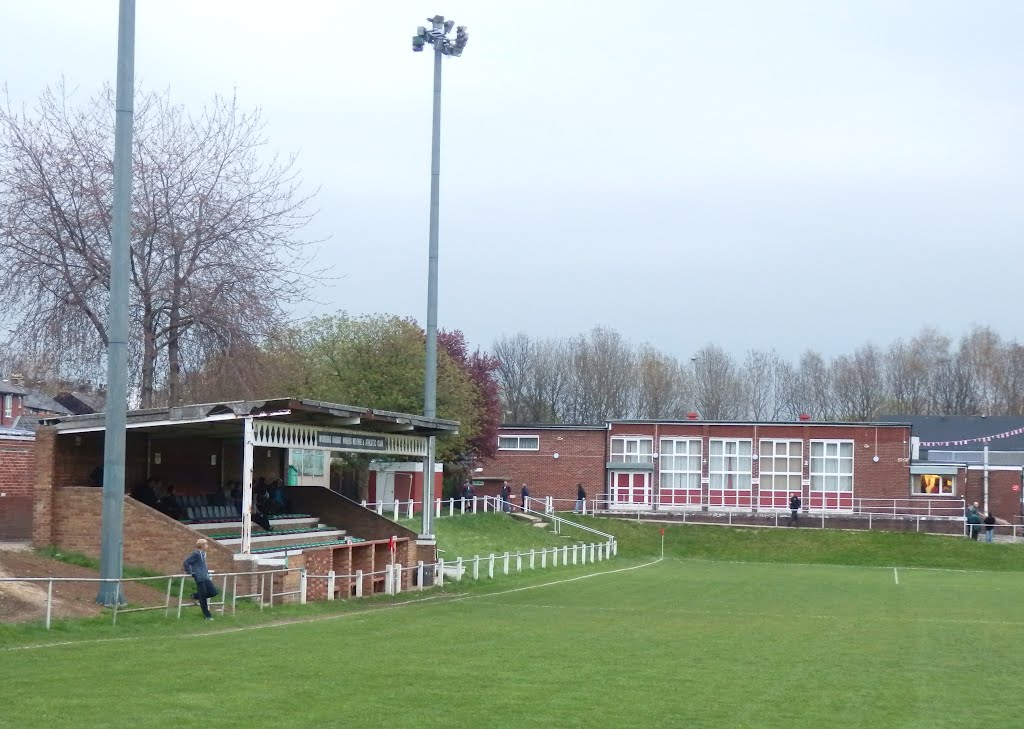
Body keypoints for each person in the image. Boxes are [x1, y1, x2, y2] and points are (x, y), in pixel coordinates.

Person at [182, 538, 217, 620]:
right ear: (202, 545)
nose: (207, 546)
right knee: (203, 597)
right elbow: (186, 562)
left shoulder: (204, 554)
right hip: (199, 577)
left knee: (213, 592)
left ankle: (195, 596)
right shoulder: (196, 554)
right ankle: (207, 616)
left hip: (206, 577)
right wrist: (191, 572)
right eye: (206, 544)